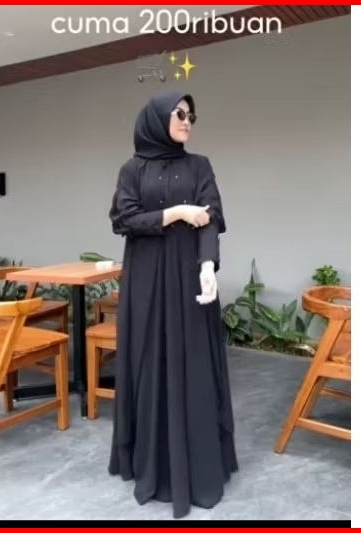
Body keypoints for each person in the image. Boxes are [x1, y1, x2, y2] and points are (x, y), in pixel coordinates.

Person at [108, 90, 238, 519]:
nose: (187, 121)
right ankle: (151, 462)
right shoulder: (132, 169)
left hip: (189, 278)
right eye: (179, 114)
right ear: (157, 119)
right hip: (146, 281)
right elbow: (123, 219)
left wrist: (208, 265)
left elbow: (212, 218)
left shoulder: (200, 165)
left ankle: (199, 467)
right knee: (149, 361)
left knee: (193, 362)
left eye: (191, 115)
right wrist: (178, 211)